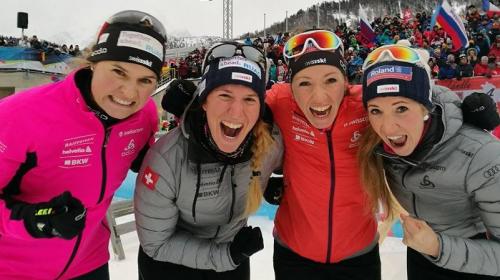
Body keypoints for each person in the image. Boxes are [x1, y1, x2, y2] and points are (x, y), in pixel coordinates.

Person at [0, 10, 166, 279]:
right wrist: (31, 220)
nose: (128, 93)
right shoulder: (16, 115)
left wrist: (194, 120)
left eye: (145, 80)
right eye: (118, 72)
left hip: (90, 265)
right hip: (14, 270)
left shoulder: (144, 115)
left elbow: (157, 163)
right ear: (93, 62)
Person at [134, 41, 283, 280]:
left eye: (249, 99)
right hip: (169, 266)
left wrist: (269, 184)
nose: (236, 112)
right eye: (224, 95)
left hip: (232, 259)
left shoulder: (270, 143)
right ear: (203, 101)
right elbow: (157, 244)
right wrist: (226, 256)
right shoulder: (167, 158)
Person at [359, 44, 500, 279]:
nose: (387, 127)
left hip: (476, 263)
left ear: (426, 107)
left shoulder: (482, 155)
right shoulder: (379, 144)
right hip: (421, 255)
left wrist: (437, 247)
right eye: (375, 111)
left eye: (401, 108)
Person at [265, 29, 380, 280]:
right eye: (304, 83)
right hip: (294, 255)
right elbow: (235, 105)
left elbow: (419, 104)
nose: (319, 97)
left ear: (346, 81)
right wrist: (190, 106)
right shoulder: (280, 102)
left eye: (330, 80)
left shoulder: (367, 105)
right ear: (291, 86)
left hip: (358, 255)